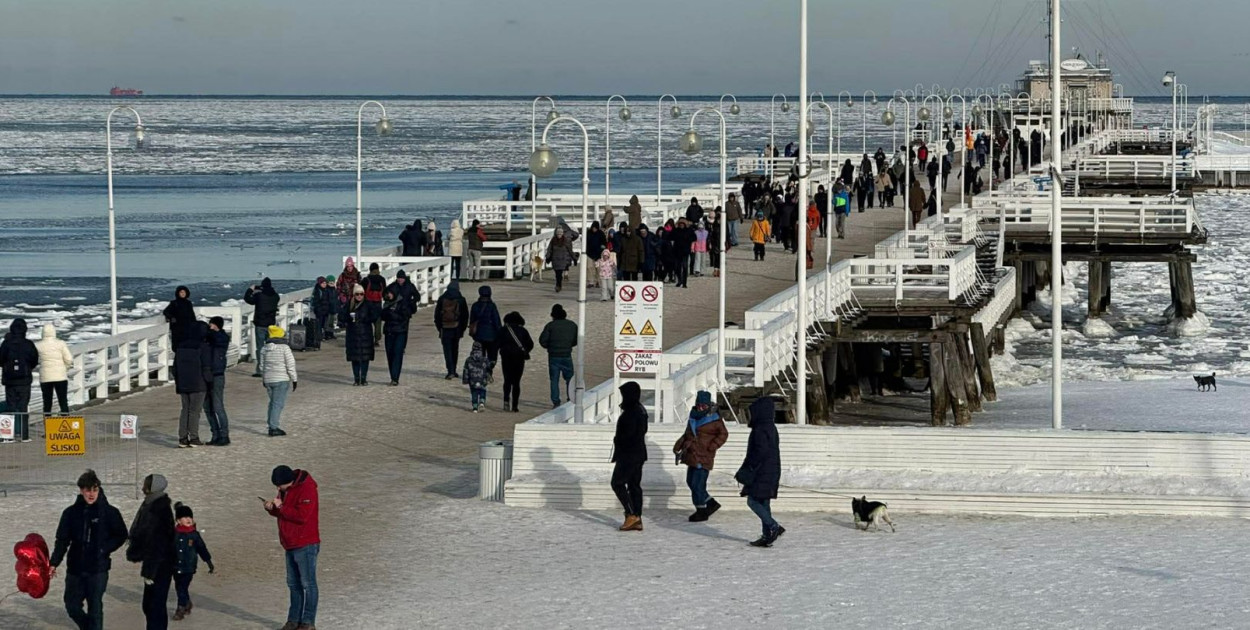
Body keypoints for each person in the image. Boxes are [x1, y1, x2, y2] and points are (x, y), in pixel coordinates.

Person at [50, 469, 128, 630]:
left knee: (95, 608)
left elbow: (121, 535)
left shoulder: (110, 512)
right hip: (75, 568)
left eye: (94, 490)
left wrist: (103, 549)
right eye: (87, 490)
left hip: (98, 569)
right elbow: (62, 540)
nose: (91, 494)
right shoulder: (70, 513)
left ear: (99, 489)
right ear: (81, 491)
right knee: (72, 606)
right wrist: (54, 562)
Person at [265, 465, 320, 630]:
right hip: (290, 543)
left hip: (305, 543)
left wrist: (281, 507)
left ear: (287, 481)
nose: (277, 488)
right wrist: (272, 509)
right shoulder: (286, 489)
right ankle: (293, 619)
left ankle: (308, 622)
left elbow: (302, 516)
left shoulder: (307, 489)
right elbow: (285, 512)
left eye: (278, 485)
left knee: (308, 584)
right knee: (293, 584)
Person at [127, 473, 175, 629]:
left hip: (159, 565)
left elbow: (158, 543)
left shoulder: (158, 509)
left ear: (151, 488)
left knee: (154, 606)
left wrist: (150, 571)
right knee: (149, 605)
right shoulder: (152, 504)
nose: (142, 487)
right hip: (155, 563)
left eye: (145, 484)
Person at [672, 390, 728, 522]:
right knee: (691, 481)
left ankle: (701, 510)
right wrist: (678, 446)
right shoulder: (693, 416)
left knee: (697, 484)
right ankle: (711, 503)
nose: (701, 408)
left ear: (708, 405)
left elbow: (723, 434)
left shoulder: (715, 419)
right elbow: (687, 434)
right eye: (699, 405)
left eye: (704, 406)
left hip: (704, 455)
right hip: (692, 454)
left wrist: (712, 446)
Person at [739, 397, 784, 547]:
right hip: (772, 470)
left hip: (761, 471)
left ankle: (773, 526)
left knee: (752, 501)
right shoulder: (771, 427)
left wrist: (748, 467)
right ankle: (767, 535)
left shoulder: (759, 429)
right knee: (764, 502)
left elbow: (759, 452)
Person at [611, 381, 648, 532]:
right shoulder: (640, 409)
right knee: (634, 485)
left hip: (629, 454)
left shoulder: (632, 411)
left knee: (617, 483)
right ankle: (636, 517)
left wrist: (618, 441)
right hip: (638, 453)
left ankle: (632, 514)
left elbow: (629, 434)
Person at [171, 502, 214, 621]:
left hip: (188, 567)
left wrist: (208, 562)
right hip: (175, 566)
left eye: (190, 517)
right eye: (185, 517)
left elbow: (202, 548)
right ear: (178, 521)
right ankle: (187, 603)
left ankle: (180, 609)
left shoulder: (194, 535)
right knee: (180, 587)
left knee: (182, 588)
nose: (188, 519)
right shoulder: (173, 534)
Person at [172, 321, 210, 448]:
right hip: (198, 383)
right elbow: (206, 366)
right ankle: (194, 437)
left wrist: (178, 380)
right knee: (194, 411)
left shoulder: (180, 347)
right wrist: (209, 382)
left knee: (185, 410)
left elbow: (175, 368)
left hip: (183, 383)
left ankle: (182, 438)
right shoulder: (203, 346)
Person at [1, 318, 37, 442]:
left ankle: (8, 436)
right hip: (24, 380)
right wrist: (27, 368)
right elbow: (34, 359)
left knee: (10, 407)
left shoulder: (6, 344)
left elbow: (0, 359)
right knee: (23, 407)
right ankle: (24, 435)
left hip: (10, 381)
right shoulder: (28, 344)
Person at [261, 325, 298, 436]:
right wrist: (294, 379)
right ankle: (273, 427)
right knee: (277, 404)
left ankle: (271, 424)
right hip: (281, 379)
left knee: (272, 403)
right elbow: (290, 365)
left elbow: (262, 366)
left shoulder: (264, 348)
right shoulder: (284, 348)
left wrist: (264, 378)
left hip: (268, 379)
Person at [538, 304, 577, 409]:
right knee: (569, 378)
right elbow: (576, 340)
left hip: (554, 356)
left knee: (554, 379)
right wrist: (568, 345)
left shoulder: (550, 326)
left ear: (553, 315)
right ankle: (570, 398)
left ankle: (556, 401)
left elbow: (542, 340)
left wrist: (550, 347)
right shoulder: (572, 325)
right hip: (567, 355)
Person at [340, 285, 378, 386]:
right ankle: (356, 379)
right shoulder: (349, 305)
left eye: (361, 294)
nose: (359, 296)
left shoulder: (368, 304)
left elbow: (375, 316)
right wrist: (348, 318)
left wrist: (365, 319)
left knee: (365, 357)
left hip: (365, 333)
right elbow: (341, 316)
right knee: (354, 358)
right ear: (354, 295)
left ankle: (364, 378)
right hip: (353, 334)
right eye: (357, 294)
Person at [498, 311, 534, 413]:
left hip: (506, 357)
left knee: (507, 380)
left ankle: (506, 401)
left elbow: (497, 343)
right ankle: (515, 406)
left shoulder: (503, 330)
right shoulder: (523, 331)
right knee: (516, 382)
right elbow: (530, 344)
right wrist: (525, 350)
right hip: (519, 357)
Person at [244, 278, 280, 377]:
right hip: (271, 325)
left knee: (260, 348)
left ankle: (260, 370)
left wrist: (251, 289)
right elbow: (273, 296)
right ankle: (272, 368)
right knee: (271, 347)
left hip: (260, 324)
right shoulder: (276, 296)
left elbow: (248, 299)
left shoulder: (259, 296)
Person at [203, 317, 230, 446]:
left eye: (212, 325)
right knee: (207, 407)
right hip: (205, 374)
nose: (210, 327)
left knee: (218, 406)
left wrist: (210, 333)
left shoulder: (222, 337)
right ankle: (215, 434)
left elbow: (218, 340)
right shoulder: (207, 339)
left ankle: (224, 435)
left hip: (217, 374)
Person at [434, 281, 469, 379]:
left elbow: (437, 315)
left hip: (445, 328)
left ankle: (450, 371)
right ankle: (454, 369)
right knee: (455, 349)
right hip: (456, 328)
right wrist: (462, 329)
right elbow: (465, 316)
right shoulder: (461, 299)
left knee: (447, 350)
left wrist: (439, 328)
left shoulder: (442, 299)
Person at [36, 323, 73, 415]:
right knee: (63, 401)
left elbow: (36, 360)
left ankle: (48, 424)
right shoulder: (60, 343)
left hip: (45, 377)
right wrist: (65, 368)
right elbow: (69, 359)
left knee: (47, 402)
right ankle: (65, 421)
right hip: (60, 376)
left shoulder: (38, 345)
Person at [379, 287, 412, 386]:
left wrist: (394, 315)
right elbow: (382, 316)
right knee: (390, 355)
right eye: (387, 293)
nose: (388, 295)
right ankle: (392, 376)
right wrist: (387, 313)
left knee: (397, 353)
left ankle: (395, 377)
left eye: (390, 293)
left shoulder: (402, 303)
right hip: (389, 331)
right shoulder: (386, 304)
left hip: (400, 332)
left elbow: (406, 316)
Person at [361, 263, 387, 345]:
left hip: (368, 303)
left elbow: (362, 291)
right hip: (378, 303)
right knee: (378, 322)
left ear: (370, 269)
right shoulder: (382, 279)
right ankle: (377, 339)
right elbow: (385, 291)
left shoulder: (366, 279)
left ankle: (368, 338)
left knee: (367, 322)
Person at [462, 341, 492, 412]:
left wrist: (465, 380)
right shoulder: (484, 359)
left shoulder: (468, 360)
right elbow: (488, 368)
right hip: (482, 379)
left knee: (474, 392)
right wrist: (489, 376)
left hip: (472, 380)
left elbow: (466, 370)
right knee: (482, 390)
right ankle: (482, 401)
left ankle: (475, 407)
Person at [545, 227, 576, 292]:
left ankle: (558, 286)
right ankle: (558, 284)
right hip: (555, 259)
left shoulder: (565, 241)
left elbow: (570, 250)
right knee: (557, 274)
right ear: (556, 234)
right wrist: (547, 257)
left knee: (560, 273)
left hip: (562, 259)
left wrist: (574, 258)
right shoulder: (553, 240)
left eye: (560, 234)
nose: (559, 235)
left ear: (562, 234)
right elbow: (549, 249)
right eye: (558, 234)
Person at [670, 218, 695, 288]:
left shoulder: (689, 230)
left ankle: (684, 283)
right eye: (680, 224)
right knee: (677, 267)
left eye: (682, 224)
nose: (681, 225)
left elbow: (694, 238)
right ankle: (679, 280)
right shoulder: (675, 230)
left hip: (685, 252)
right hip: (677, 251)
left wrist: (688, 240)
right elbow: (670, 237)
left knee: (684, 267)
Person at [311, 276, 337, 342]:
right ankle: (319, 337)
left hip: (326, 310)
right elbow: (316, 301)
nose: (324, 284)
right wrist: (318, 309)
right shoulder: (318, 291)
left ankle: (324, 335)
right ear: (319, 284)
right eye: (323, 283)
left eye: (325, 283)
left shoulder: (326, 290)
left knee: (325, 324)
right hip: (320, 311)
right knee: (319, 324)